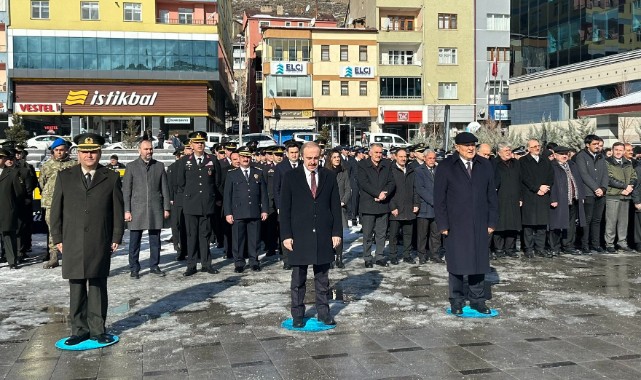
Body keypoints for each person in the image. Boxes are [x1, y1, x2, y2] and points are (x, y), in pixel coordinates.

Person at [50, 133, 124, 346]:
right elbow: (56, 210)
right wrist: (57, 237)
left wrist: (116, 235)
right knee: (77, 284)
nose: (89, 155)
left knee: (98, 284)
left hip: (99, 239)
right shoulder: (65, 176)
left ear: (99, 152)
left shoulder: (110, 176)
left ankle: (98, 329)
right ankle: (79, 329)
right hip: (71, 239)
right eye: (84, 151)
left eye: (93, 151)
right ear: (78, 153)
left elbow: (117, 210)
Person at [434, 132, 498, 315]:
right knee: (456, 263)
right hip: (456, 224)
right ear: (457, 147)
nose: (471, 148)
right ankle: (456, 300)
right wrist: (443, 224)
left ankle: (477, 300)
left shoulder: (484, 165)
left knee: (478, 263)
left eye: (473, 145)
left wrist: (492, 221)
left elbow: (491, 196)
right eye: (467, 145)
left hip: (480, 223)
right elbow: (439, 199)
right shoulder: (447, 166)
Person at [280, 142, 342, 328]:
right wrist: (286, 235)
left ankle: (323, 313)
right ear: (301, 157)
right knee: (298, 279)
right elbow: (285, 209)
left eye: (316, 158)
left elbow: (335, 207)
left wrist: (336, 232)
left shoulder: (329, 177)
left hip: (323, 234)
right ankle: (298, 314)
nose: (313, 162)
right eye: (309, 158)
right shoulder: (291, 177)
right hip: (299, 235)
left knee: (322, 279)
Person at [122, 140, 171, 279]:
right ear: (139, 150)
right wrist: (127, 210)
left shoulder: (159, 166)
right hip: (136, 209)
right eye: (146, 149)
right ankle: (134, 268)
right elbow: (126, 191)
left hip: (155, 208)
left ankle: (154, 266)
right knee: (134, 241)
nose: (149, 151)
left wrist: (166, 207)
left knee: (155, 240)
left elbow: (165, 189)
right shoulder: (131, 167)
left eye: (150, 149)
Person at [175, 132, 221, 276]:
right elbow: (180, 182)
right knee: (191, 235)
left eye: (202, 142)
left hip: (207, 204)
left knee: (205, 235)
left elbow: (217, 181)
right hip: (191, 204)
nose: (199, 145)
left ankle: (206, 264)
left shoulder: (212, 159)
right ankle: (191, 265)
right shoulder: (185, 161)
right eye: (196, 142)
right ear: (191, 145)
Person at [223, 146, 269, 273]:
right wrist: (228, 213)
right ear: (239, 158)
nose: (245, 159)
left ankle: (254, 261)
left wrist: (265, 209)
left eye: (247, 157)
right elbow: (227, 195)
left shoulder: (258, 172)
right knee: (238, 239)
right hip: (238, 212)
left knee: (255, 238)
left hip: (254, 211)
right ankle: (239, 262)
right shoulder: (232, 174)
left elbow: (263, 193)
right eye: (243, 157)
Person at [39, 138, 77, 268]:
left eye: (62, 150)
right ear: (53, 151)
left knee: (70, 229)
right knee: (53, 229)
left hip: (69, 202)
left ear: (67, 150)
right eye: (57, 150)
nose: (59, 152)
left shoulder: (73, 165)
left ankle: (69, 256)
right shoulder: (46, 166)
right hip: (51, 202)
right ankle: (53, 256)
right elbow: (42, 183)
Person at [358, 143, 395, 268]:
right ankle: (367, 257)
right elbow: (363, 183)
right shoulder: (362, 165)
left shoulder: (387, 165)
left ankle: (379, 256)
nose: (379, 155)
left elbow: (392, 182)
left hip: (383, 204)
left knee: (381, 233)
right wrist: (377, 193)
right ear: (370, 153)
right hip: (368, 204)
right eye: (376, 152)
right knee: (367, 234)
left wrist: (385, 193)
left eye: (380, 152)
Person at [520, 139, 554, 258]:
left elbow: (551, 175)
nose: (537, 148)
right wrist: (537, 188)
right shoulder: (523, 161)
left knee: (542, 224)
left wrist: (545, 188)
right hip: (530, 195)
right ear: (528, 149)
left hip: (543, 195)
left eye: (538, 146)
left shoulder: (545, 160)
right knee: (529, 224)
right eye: (533, 146)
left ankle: (540, 248)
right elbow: (524, 178)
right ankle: (528, 249)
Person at [549, 146, 585, 256]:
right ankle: (554, 247)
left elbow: (578, 181)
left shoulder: (572, 165)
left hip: (573, 199)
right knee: (556, 223)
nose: (564, 156)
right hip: (559, 199)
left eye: (566, 154)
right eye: (561, 154)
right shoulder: (552, 166)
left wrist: (581, 196)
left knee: (570, 224)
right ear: (555, 155)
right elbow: (551, 183)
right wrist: (553, 198)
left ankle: (568, 245)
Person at [575, 135, 608, 253]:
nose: (597, 147)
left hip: (601, 193)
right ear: (587, 145)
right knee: (587, 220)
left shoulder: (601, 156)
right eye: (595, 144)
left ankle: (596, 244)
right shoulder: (581, 156)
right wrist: (595, 188)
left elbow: (605, 173)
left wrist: (603, 188)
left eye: (599, 144)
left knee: (597, 220)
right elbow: (584, 174)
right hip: (588, 192)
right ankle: (585, 245)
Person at [388, 148, 419, 265]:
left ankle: (407, 255)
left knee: (408, 234)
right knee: (394, 235)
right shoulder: (391, 170)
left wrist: (416, 203)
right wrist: (392, 207)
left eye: (405, 156)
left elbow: (415, 188)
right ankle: (393, 255)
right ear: (395, 157)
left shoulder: (411, 170)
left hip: (409, 208)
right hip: (396, 208)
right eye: (400, 156)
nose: (403, 159)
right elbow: (389, 191)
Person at [273, 141, 302, 269]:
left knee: (300, 231)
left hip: (301, 206)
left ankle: (300, 256)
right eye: (292, 153)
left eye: (296, 152)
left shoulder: (303, 165)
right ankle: (287, 259)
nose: (294, 155)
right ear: (287, 153)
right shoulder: (280, 167)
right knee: (286, 232)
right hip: (286, 205)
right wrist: (279, 206)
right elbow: (276, 189)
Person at [604, 142, 636, 253]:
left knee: (623, 221)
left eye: (621, 150)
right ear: (612, 150)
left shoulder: (628, 163)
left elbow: (634, 176)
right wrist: (624, 186)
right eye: (616, 150)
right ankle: (609, 243)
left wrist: (630, 186)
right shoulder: (607, 162)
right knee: (611, 221)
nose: (618, 152)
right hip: (613, 195)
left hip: (626, 196)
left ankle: (622, 242)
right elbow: (609, 178)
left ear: (623, 151)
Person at [493, 143, 521, 258]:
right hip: (500, 197)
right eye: (505, 150)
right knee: (500, 224)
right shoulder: (494, 163)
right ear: (499, 152)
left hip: (514, 197)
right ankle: (499, 248)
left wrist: (521, 197)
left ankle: (510, 248)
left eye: (509, 150)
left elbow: (520, 180)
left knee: (512, 224)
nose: (508, 152)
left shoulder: (516, 163)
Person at [414, 148, 443, 264]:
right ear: (424, 158)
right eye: (429, 158)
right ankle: (422, 255)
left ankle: (435, 254)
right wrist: (434, 201)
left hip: (437, 209)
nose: (432, 160)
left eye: (434, 158)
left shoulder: (439, 170)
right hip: (425, 208)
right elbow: (420, 189)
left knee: (436, 234)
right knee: (422, 234)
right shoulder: (418, 171)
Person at [325, 149, 351, 268]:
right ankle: (329, 257)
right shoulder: (324, 172)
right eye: (334, 157)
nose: (337, 159)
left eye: (338, 157)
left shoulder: (343, 172)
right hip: (327, 207)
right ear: (330, 159)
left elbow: (348, 189)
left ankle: (339, 258)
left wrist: (343, 201)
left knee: (339, 233)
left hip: (340, 207)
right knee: (328, 233)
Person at [0, 148, 25, 269]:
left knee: (8, 235)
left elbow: (19, 193)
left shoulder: (12, 173)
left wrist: (11, 204)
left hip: (6, 209)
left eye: (1, 158)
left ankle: (12, 260)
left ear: (4, 159)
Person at [167, 148, 187, 260]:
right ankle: (178, 247)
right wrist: (171, 198)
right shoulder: (173, 167)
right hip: (177, 199)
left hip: (187, 198)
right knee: (177, 225)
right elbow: (170, 183)